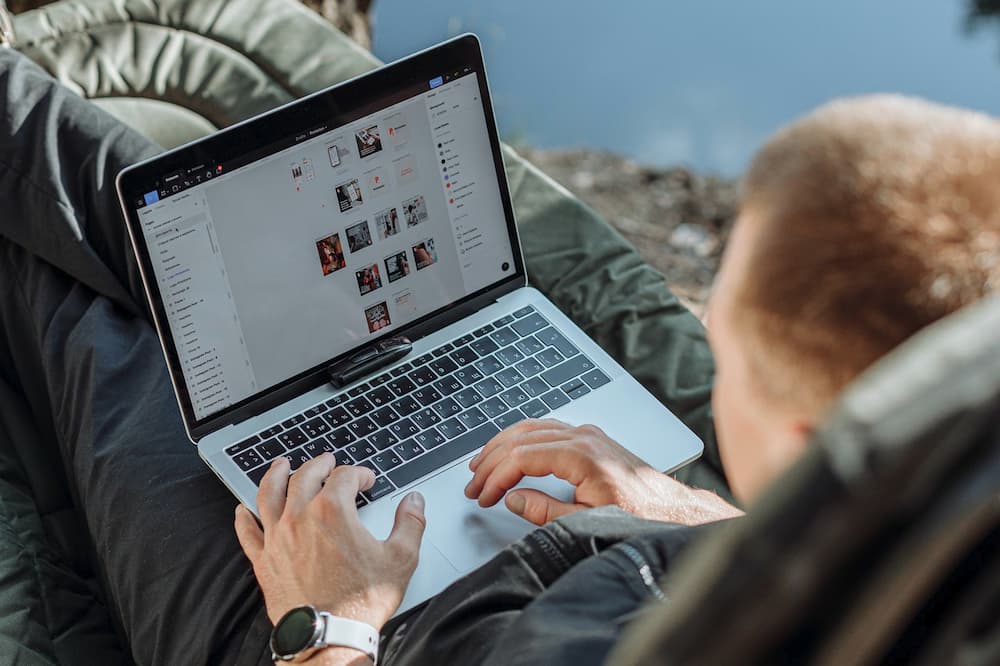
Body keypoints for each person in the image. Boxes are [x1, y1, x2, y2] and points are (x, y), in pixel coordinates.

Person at [1, 43, 997, 664]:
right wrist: (701, 518)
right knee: (162, 262)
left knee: (73, 308)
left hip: (344, 635)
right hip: (579, 558)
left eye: (721, 351)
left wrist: (333, 627)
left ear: (802, 432)